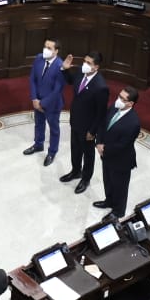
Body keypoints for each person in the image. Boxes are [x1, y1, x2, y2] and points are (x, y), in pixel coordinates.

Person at [60, 51, 109, 194]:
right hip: (75, 121)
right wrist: (65, 69)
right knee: (75, 149)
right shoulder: (81, 73)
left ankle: (85, 179)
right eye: (84, 61)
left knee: (88, 155)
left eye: (89, 63)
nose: (85, 65)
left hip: (88, 128)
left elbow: (101, 113)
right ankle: (76, 171)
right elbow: (71, 81)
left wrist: (93, 131)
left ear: (96, 67)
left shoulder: (101, 87)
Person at [95, 86, 140, 218]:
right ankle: (109, 201)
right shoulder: (114, 108)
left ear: (130, 103)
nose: (118, 100)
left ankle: (118, 211)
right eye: (119, 96)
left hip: (121, 161)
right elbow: (103, 125)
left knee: (120, 187)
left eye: (122, 98)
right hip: (106, 155)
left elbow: (123, 145)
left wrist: (104, 149)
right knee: (108, 181)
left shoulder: (133, 122)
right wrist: (99, 142)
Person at [24, 38, 64, 166]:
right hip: (37, 100)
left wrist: (42, 103)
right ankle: (38, 144)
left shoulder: (60, 66)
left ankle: (52, 152)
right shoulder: (39, 58)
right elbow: (32, 79)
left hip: (52, 104)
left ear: (56, 51)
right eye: (45, 46)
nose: (45, 50)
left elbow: (57, 89)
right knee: (38, 124)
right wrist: (34, 99)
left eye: (49, 48)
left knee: (54, 129)